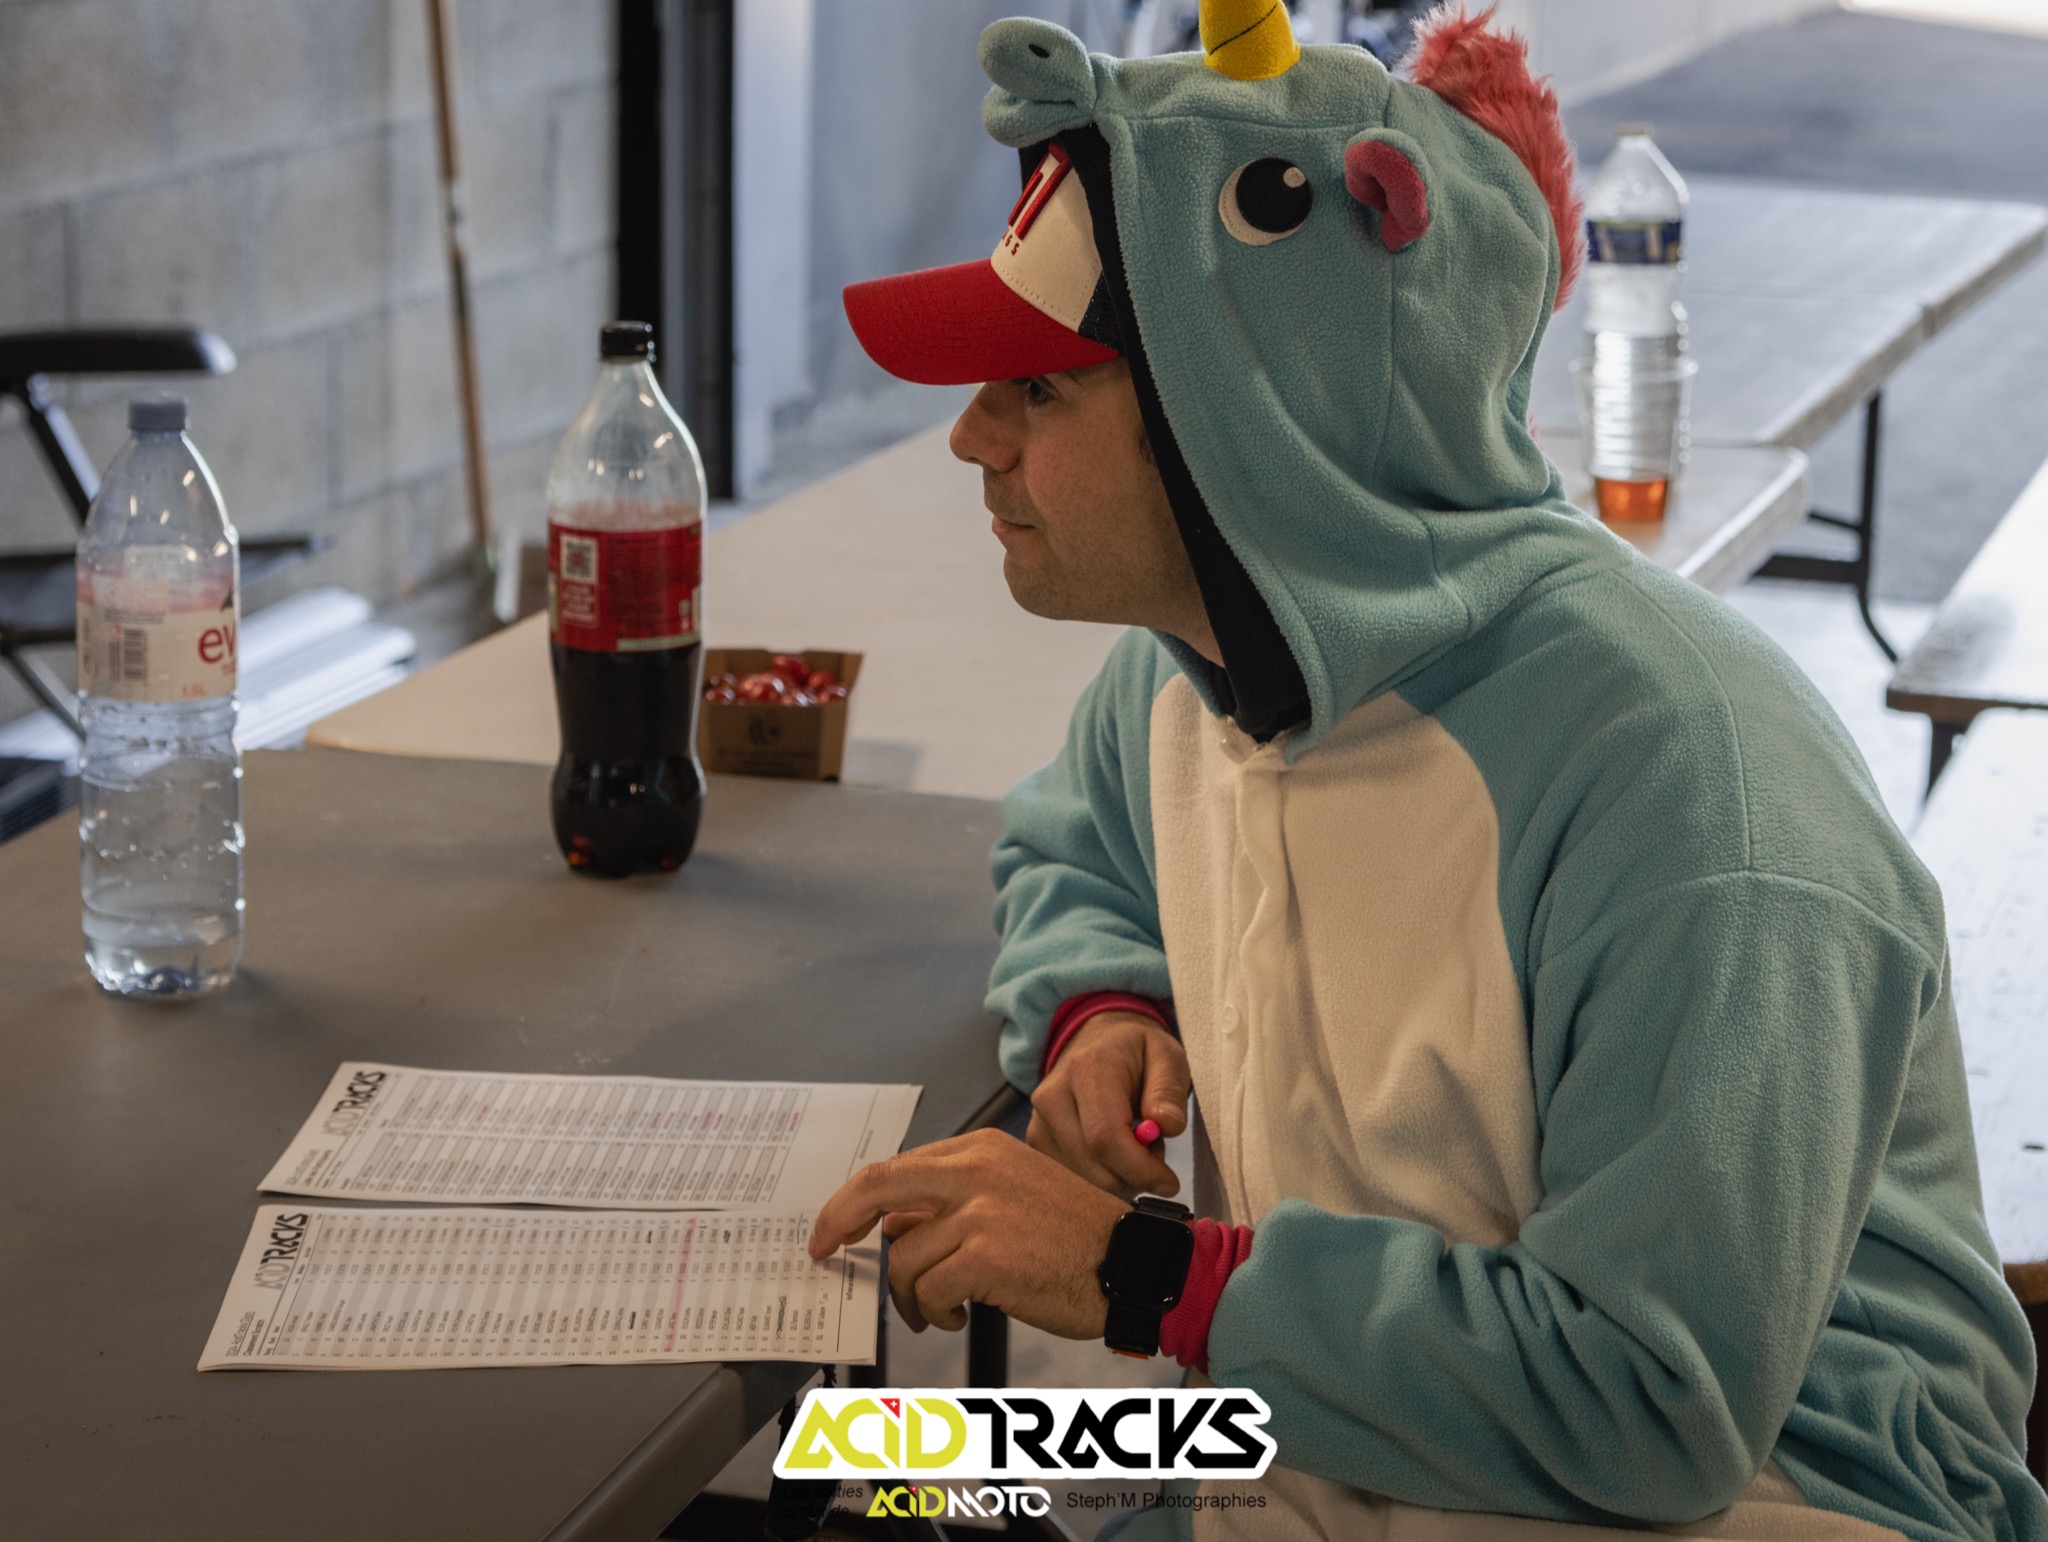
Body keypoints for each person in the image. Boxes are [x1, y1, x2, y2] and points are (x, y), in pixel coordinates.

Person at [807, 5, 2047, 1537]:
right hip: (1334, 1423)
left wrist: (1138, 1274)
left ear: (1255, 412)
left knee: (922, 1486)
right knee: (858, 1467)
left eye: (1041, 388)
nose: (971, 438)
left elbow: (1649, 1402)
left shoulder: (1690, 794)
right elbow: (1079, 843)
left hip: (1757, 1491)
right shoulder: (1200, 666)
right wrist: (1105, 1006)